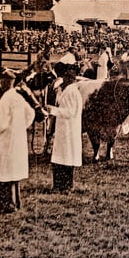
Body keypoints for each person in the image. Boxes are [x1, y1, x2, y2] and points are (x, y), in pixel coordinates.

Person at [0, 69, 36, 213]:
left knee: (5, 172)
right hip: (18, 139)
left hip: (6, 140)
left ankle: (8, 205)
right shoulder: (19, 96)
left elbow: (1, 124)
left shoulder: (5, 98)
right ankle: (16, 202)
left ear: (3, 82)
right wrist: (21, 127)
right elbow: (31, 113)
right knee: (14, 173)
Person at [47, 64, 83, 192]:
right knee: (62, 157)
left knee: (65, 157)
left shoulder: (72, 92)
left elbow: (70, 112)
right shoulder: (67, 91)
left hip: (68, 129)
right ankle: (62, 186)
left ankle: (64, 186)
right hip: (64, 129)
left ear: (70, 79)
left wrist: (53, 110)